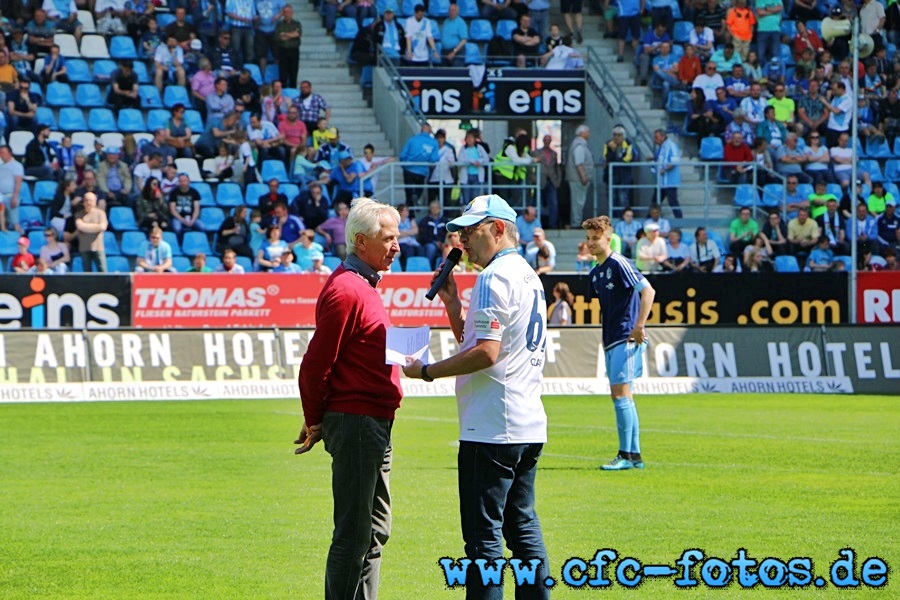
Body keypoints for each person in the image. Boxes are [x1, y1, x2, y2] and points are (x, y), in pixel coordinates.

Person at [402, 193, 551, 599]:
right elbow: (481, 341)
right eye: (461, 232)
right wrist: (452, 303)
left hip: (491, 427)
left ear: (498, 229)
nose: (462, 241)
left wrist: (427, 372)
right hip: (526, 422)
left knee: (484, 542)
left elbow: (486, 353)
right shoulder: (526, 274)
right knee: (522, 531)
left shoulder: (493, 277)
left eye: (471, 231)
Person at [295, 198, 402, 600]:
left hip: (372, 421)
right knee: (355, 535)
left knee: (374, 532)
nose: (396, 246)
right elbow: (315, 363)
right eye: (388, 238)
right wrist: (316, 418)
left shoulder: (364, 285)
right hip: (358, 422)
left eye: (397, 238)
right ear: (360, 241)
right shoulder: (346, 290)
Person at [582, 215, 655, 470]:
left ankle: (626, 455)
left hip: (625, 337)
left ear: (608, 238)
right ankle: (634, 456)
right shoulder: (596, 272)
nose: (590, 243)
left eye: (595, 238)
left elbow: (648, 291)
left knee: (620, 395)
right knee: (625, 396)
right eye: (588, 238)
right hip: (612, 339)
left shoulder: (619, 263)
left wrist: (639, 326)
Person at [399, 122, 439, 207]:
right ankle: (416, 198)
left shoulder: (412, 139)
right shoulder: (434, 143)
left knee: (408, 194)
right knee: (418, 190)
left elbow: (403, 155)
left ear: (421, 130)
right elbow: (434, 159)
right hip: (422, 171)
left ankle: (410, 213)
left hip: (409, 169)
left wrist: (404, 165)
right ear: (430, 131)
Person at [566, 124, 594, 227]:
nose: (589, 134)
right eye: (587, 132)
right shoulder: (579, 146)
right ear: (582, 133)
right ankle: (576, 223)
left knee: (579, 202)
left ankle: (576, 222)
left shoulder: (579, 144)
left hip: (577, 179)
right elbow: (579, 163)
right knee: (578, 202)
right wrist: (583, 176)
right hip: (577, 179)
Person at [651, 129, 683, 218]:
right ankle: (649, 219)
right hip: (661, 182)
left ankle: (679, 220)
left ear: (663, 136)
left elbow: (675, 161)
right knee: (655, 201)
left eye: (656, 137)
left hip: (670, 181)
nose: (655, 140)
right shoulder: (661, 148)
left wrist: (664, 169)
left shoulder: (671, 146)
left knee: (672, 201)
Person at [75, 192, 108, 272]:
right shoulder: (78, 214)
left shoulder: (101, 213)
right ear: (83, 202)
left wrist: (85, 226)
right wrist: (96, 227)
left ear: (95, 201)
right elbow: (80, 226)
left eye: (91, 200)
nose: (88, 202)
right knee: (87, 273)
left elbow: (103, 227)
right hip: (84, 248)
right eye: (86, 200)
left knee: (103, 271)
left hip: (98, 247)